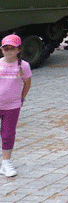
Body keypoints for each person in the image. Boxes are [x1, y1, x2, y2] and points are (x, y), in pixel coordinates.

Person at [0, 34, 32, 177]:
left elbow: (27, 83)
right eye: (6, 48)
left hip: (12, 106)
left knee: (8, 133)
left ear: (18, 49)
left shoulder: (24, 66)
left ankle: (6, 163)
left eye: (12, 48)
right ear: (2, 50)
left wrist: (22, 98)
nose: (9, 51)